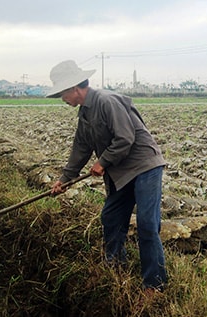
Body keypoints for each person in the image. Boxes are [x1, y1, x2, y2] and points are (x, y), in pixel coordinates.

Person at [47, 60, 167, 293]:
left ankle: (155, 285)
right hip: (121, 172)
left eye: (62, 93)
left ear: (74, 88)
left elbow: (125, 138)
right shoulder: (85, 114)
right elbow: (80, 149)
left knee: (147, 225)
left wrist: (102, 162)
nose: (62, 98)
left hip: (144, 166)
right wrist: (64, 180)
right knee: (111, 217)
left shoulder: (106, 101)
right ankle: (115, 269)